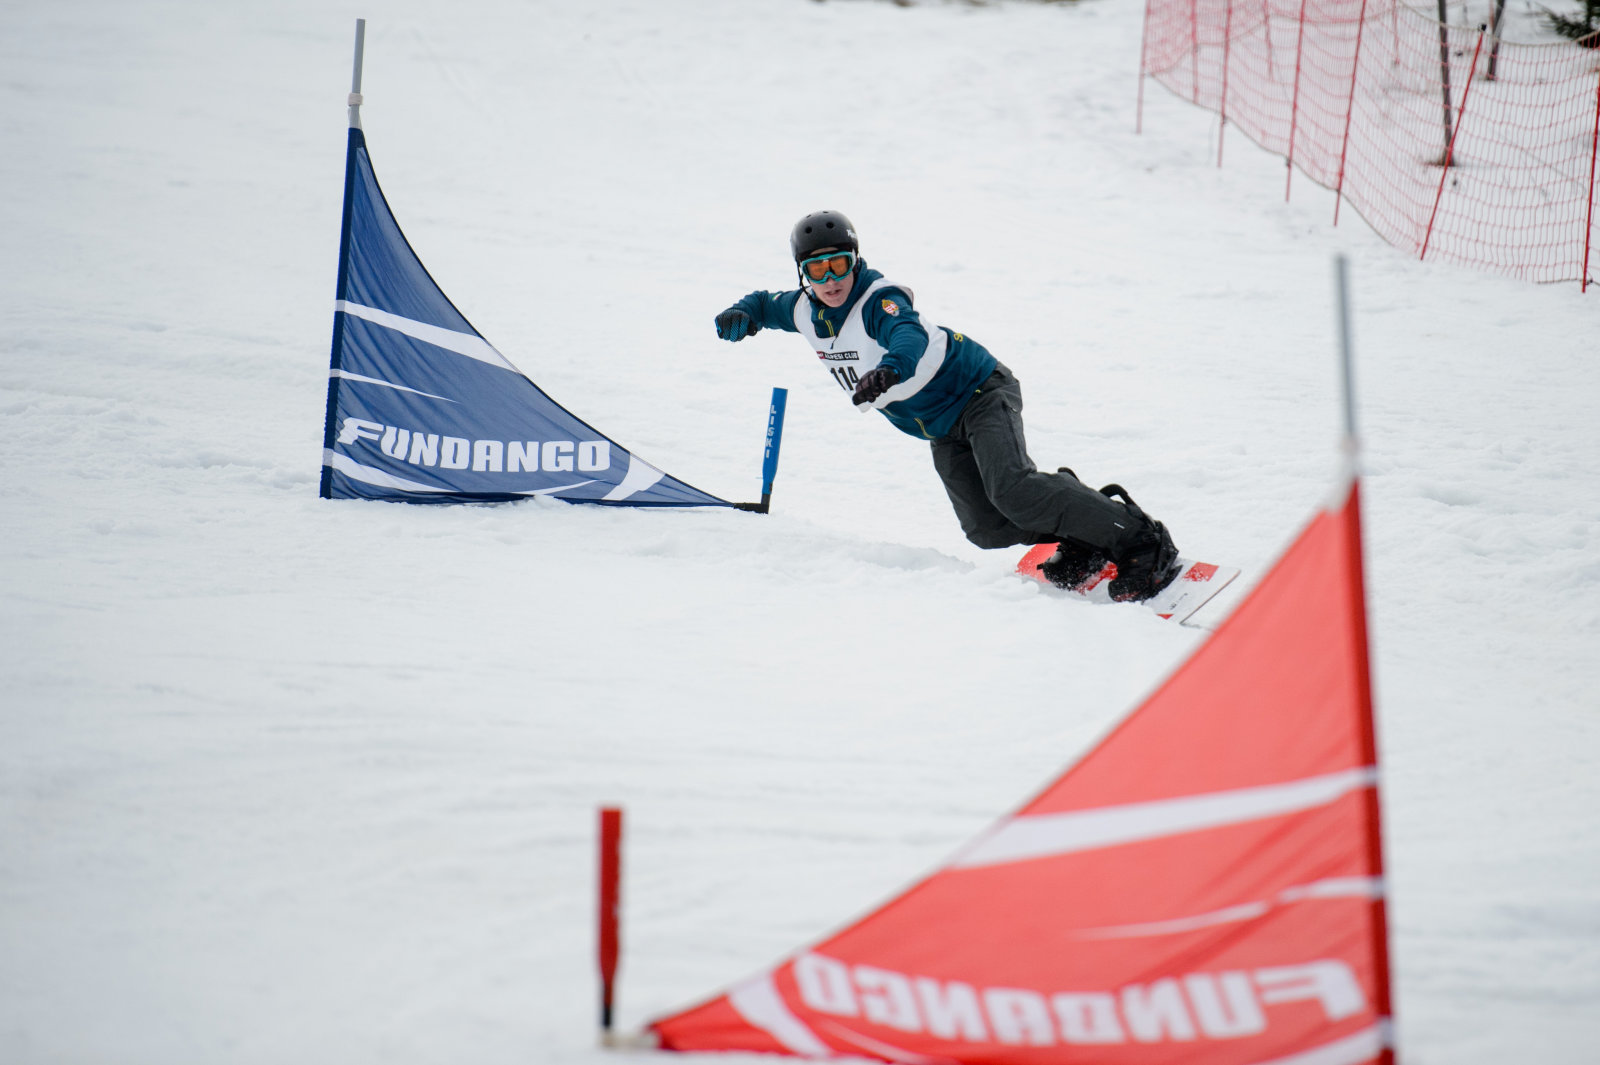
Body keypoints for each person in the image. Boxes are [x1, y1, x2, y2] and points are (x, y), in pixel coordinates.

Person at [713, 210, 1181, 603]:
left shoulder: (879, 300)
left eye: (841, 264)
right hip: (940, 426)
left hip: (978, 391)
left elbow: (907, 334)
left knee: (1013, 489)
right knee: (987, 527)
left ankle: (1140, 538)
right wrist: (742, 315)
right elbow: (762, 303)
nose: (832, 279)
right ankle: (1082, 531)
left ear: (857, 262)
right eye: (818, 270)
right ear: (803, 274)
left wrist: (892, 368)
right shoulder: (802, 310)